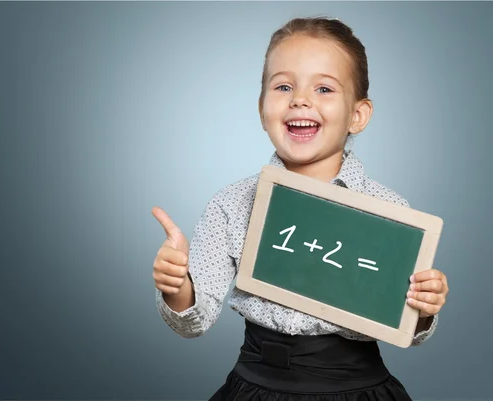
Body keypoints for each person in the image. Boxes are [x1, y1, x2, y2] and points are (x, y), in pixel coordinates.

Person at [151, 16, 449, 400]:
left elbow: (408, 328)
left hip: (354, 388)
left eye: (324, 88)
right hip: (257, 386)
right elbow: (194, 321)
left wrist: (424, 307)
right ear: (262, 109)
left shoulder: (388, 211)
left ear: (357, 115)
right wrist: (178, 286)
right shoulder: (231, 204)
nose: (300, 99)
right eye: (284, 86)